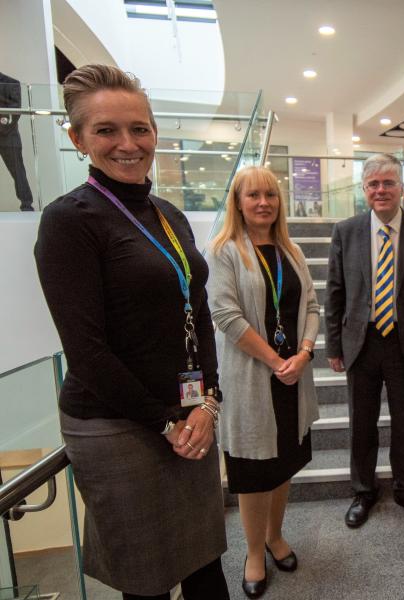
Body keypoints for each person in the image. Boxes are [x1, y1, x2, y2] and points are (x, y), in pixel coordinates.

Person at [33, 64, 229, 599]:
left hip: (188, 417)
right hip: (117, 425)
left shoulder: (168, 214)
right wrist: (168, 423)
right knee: (148, 583)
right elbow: (87, 351)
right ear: (77, 139)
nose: (128, 143)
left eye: (139, 128)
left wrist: (208, 402)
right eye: (106, 130)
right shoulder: (69, 220)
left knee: (205, 564)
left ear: (155, 134)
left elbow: (198, 311)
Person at [208, 165, 319, 598]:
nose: (263, 203)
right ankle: (255, 551)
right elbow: (226, 316)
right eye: (253, 195)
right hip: (255, 380)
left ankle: (276, 535)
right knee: (254, 472)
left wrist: (305, 353)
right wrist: (277, 360)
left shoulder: (290, 249)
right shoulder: (224, 251)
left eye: (270, 195)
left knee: (284, 465)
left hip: (293, 378)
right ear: (238, 202)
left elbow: (311, 305)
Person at [325, 153, 404, 528]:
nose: (381, 190)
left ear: (401, 188)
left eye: (388, 182)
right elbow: (336, 292)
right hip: (361, 342)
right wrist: (334, 346)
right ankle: (364, 491)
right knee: (362, 423)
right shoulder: (346, 231)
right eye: (373, 184)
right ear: (364, 189)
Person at [0, 71, 34, 211]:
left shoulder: (12, 83)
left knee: (18, 172)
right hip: (8, 134)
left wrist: (2, 127)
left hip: (8, 136)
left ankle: (27, 205)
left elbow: (15, 111)